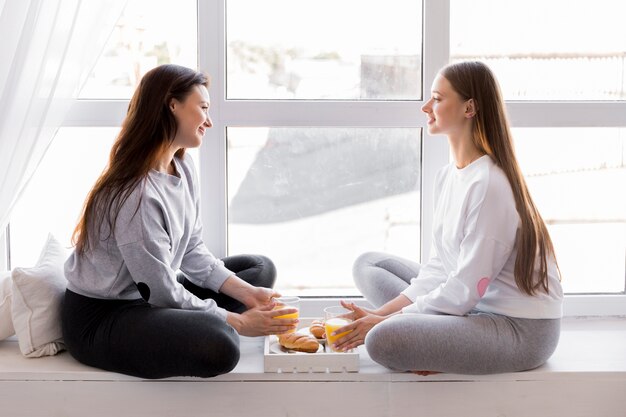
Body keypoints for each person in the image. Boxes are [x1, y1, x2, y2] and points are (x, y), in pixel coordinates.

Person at [62, 64, 297, 379]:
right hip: (104, 317)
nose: (210, 121)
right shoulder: (137, 194)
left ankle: (208, 318)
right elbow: (161, 292)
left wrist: (248, 295)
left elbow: (192, 250)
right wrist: (238, 322)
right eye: (203, 108)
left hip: (148, 298)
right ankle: (207, 326)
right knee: (223, 343)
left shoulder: (181, 168)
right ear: (172, 105)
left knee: (258, 269)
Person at [333, 61, 563, 375]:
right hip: (470, 307)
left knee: (381, 341)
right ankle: (437, 338)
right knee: (369, 264)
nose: (426, 107)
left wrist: (384, 324)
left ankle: (436, 340)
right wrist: (377, 316)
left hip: (519, 329)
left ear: (470, 108)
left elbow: (464, 290)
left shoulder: (490, 185)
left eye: (438, 99)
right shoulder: (448, 177)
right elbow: (440, 268)